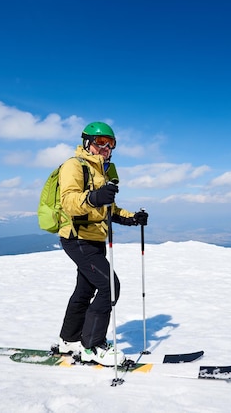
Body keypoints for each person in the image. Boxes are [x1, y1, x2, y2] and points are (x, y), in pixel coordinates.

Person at [56, 121, 148, 367]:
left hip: (94, 238)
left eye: (111, 144)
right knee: (109, 286)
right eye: (100, 142)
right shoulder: (74, 165)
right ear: (88, 142)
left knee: (85, 290)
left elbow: (109, 209)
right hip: (78, 238)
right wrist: (95, 196)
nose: (106, 148)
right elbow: (69, 201)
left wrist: (132, 218)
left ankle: (69, 340)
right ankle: (92, 347)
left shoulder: (103, 171)